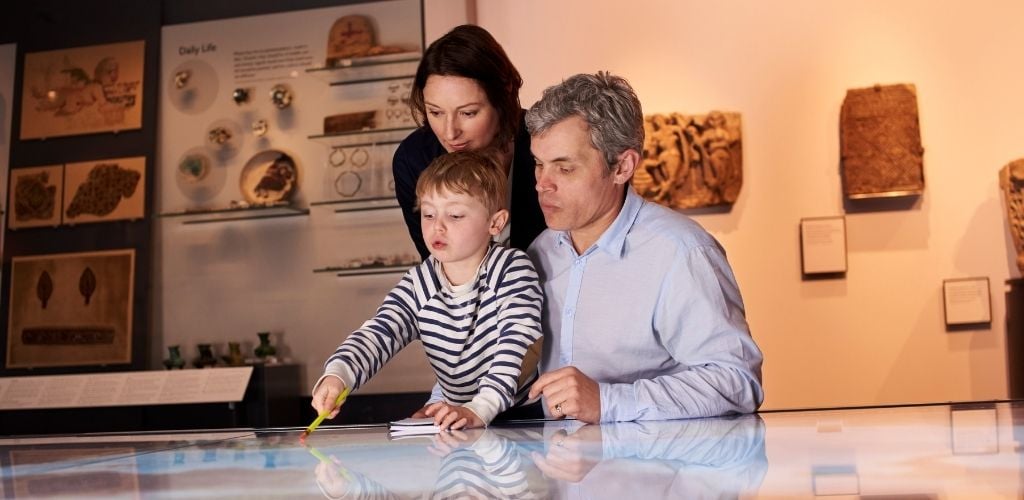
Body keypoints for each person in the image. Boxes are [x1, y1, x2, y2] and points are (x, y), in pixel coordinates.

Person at [525, 72, 764, 423]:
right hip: (553, 471)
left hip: (655, 473)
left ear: (622, 166)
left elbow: (737, 380)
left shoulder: (682, 252)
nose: (543, 185)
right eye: (539, 164)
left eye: (564, 168)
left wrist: (608, 401)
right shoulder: (537, 254)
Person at [312, 151, 544, 430]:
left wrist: (481, 407)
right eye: (428, 213)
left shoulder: (511, 269)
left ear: (495, 223)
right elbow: (380, 332)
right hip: (458, 416)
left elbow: (519, 340)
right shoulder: (419, 283)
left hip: (523, 415)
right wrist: (338, 374)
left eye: (455, 215)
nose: (438, 226)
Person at [393, 24, 546, 260]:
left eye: (468, 113)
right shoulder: (414, 159)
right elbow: (437, 261)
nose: (449, 133)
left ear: (504, 93)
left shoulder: (544, 142)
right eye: (435, 112)